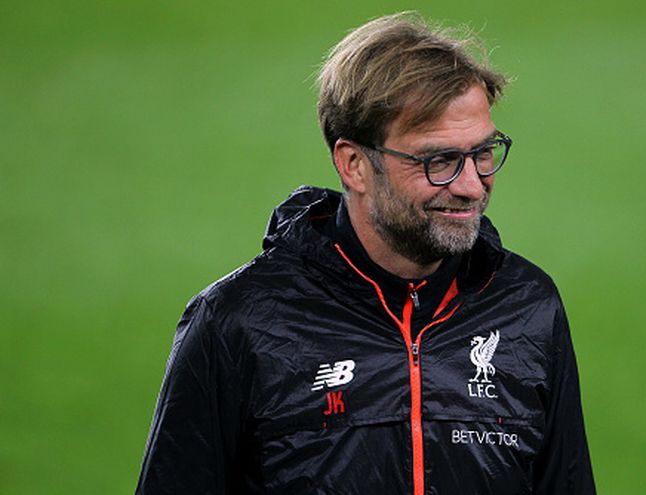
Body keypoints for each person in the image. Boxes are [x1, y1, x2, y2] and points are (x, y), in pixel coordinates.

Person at [136, 12, 596, 495]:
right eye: (439, 160)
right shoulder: (236, 323)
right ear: (354, 164)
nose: (470, 186)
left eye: (482, 153)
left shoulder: (529, 307)